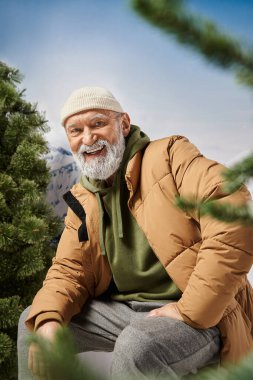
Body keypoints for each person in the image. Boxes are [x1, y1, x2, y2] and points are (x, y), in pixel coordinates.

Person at [18, 87, 253, 379]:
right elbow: (69, 269)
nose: (88, 138)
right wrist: (49, 319)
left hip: (193, 311)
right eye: (76, 130)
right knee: (33, 324)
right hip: (123, 311)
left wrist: (189, 310)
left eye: (98, 124)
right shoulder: (82, 196)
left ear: (124, 124)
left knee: (138, 345)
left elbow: (232, 207)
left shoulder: (169, 156)